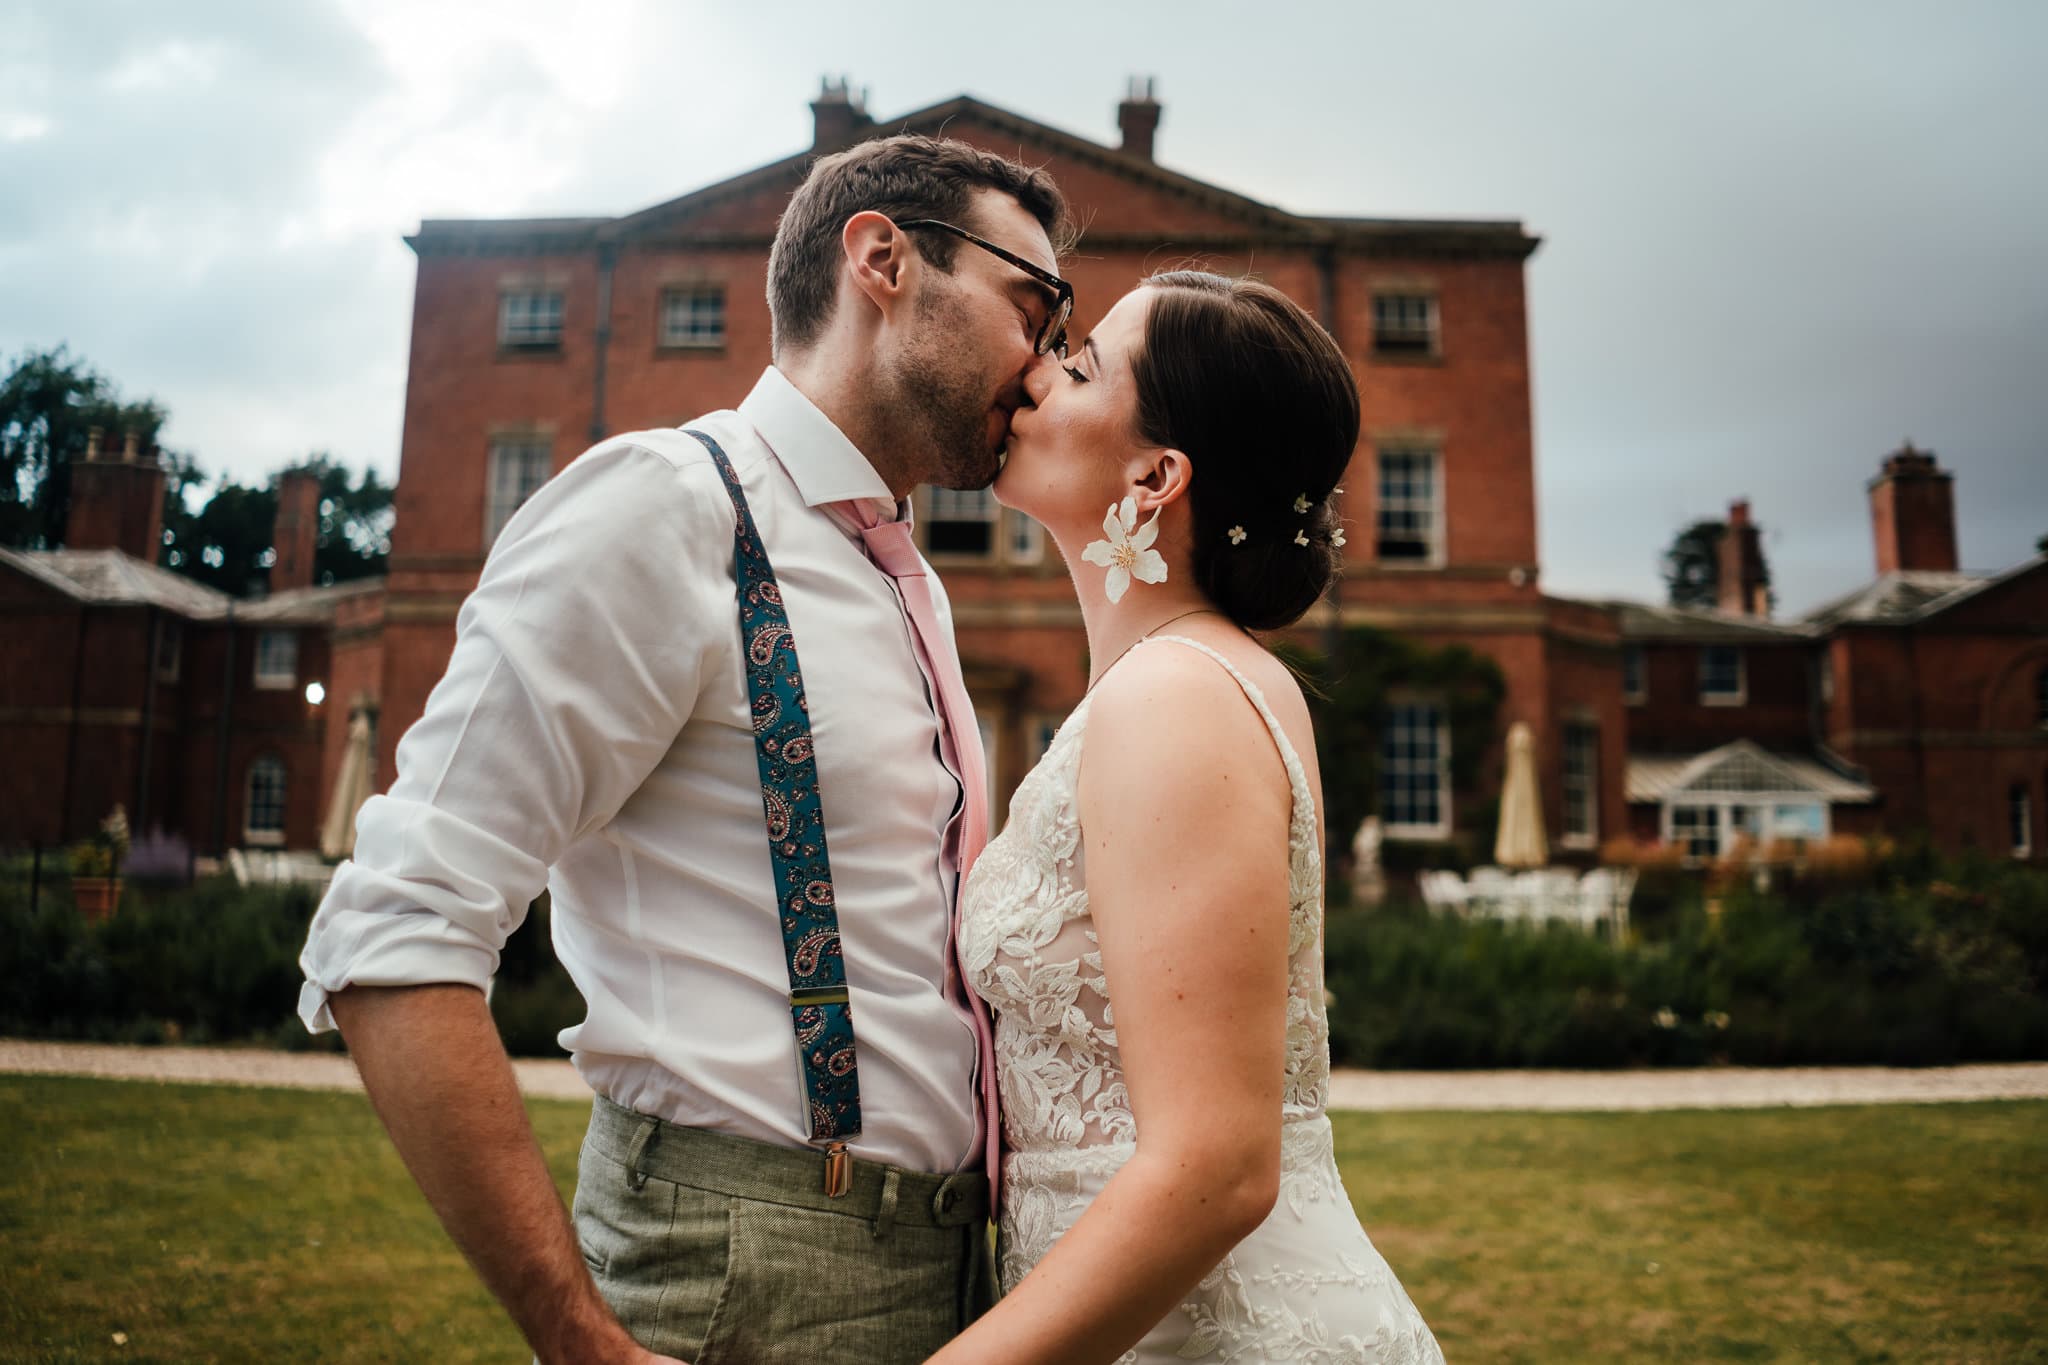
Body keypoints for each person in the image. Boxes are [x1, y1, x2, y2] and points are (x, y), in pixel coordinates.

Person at [296, 134, 1073, 1364]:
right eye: (1032, 307)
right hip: (741, 1271)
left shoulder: (895, 570)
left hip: (947, 1270)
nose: (1047, 366)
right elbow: (393, 927)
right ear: (881, 259)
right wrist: (576, 1338)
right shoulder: (666, 506)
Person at [933, 272, 1445, 1363]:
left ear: (1156, 475)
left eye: (1078, 368)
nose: (1032, 371)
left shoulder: (1174, 695)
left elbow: (1214, 1169)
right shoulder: (1195, 680)